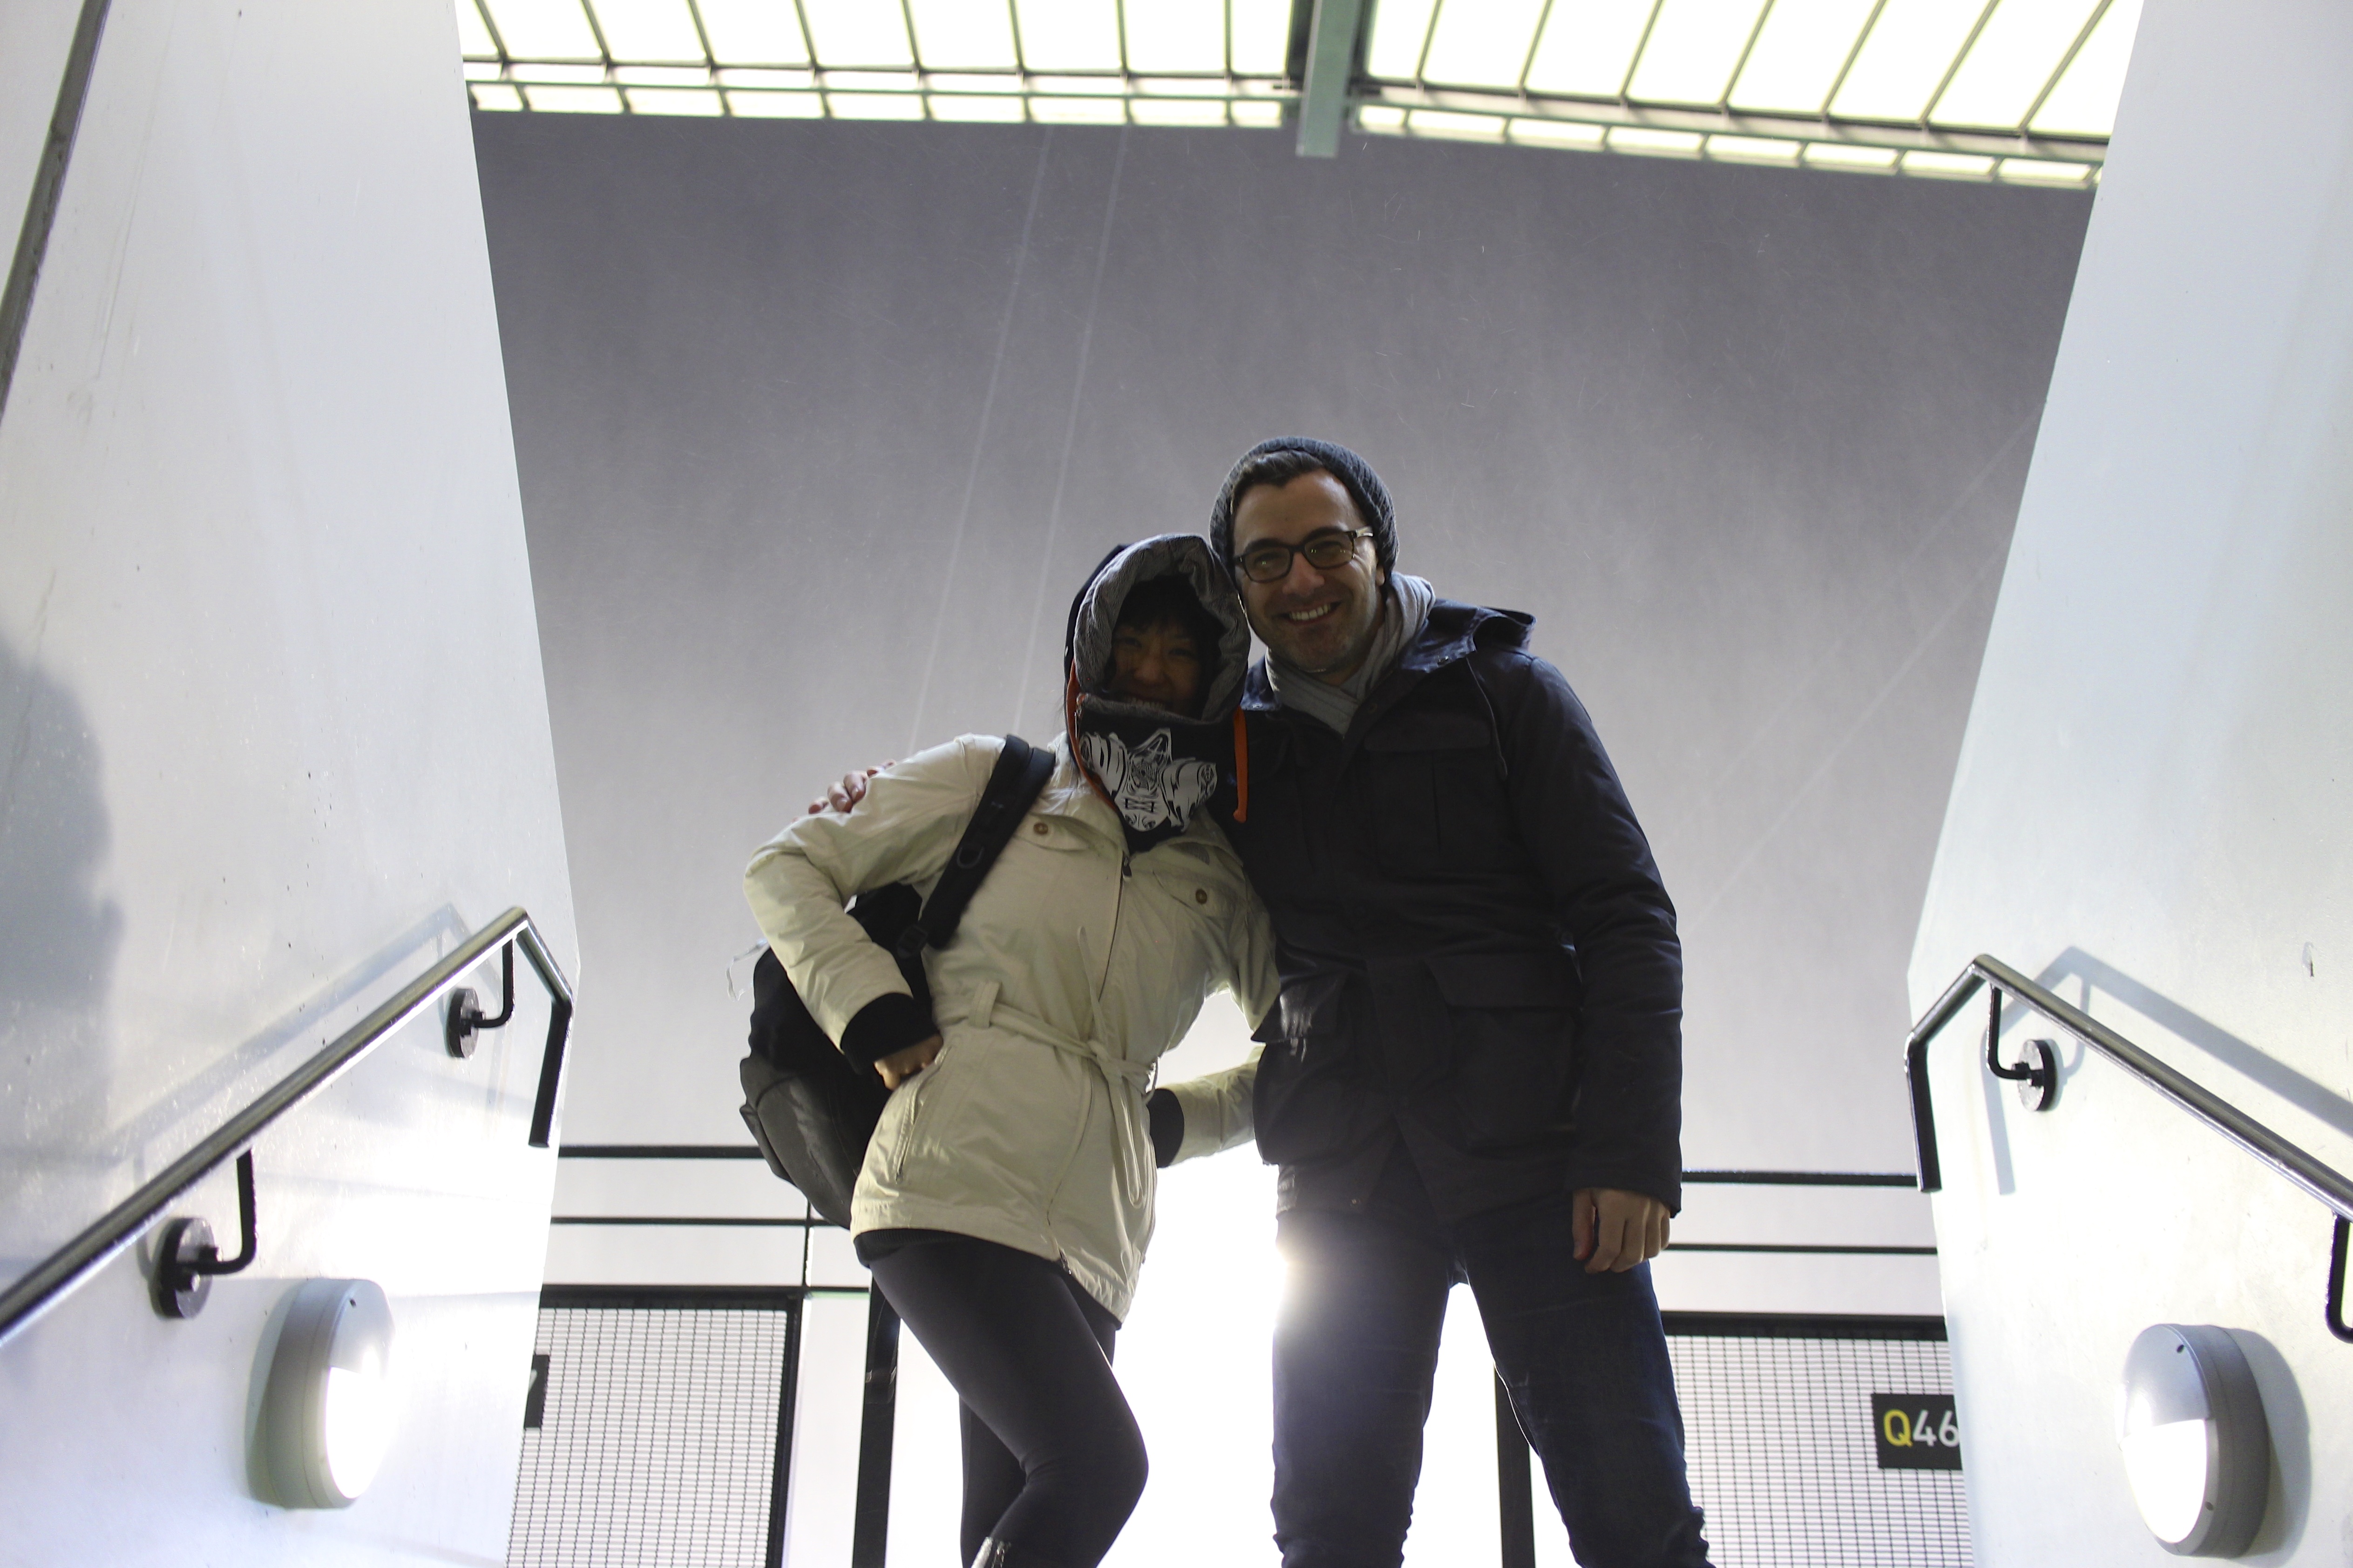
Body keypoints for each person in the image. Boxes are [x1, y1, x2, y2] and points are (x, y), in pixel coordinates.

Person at [1207, 436, 1708, 1568]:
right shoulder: (1229, 747)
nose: (1300, 580)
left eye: (1327, 546)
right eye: (1267, 559)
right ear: (1236, 585)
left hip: (1544, 1163)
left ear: (1379, 550)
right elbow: (1102, 793)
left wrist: (1630, 1152)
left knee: (1636, 1524)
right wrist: (890, 811)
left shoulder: (1505, 692)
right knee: (1328, 1535)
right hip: (1342, 1168)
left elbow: (1627, 917)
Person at [745, 535, 1274, 1568]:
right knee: (1098, 1468)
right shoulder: (997, 781)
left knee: (1012, 1513)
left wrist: (1181, 1120)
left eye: (1180, 653)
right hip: (947, 1182)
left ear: (1215, 679)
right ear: (1092, 655)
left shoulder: (1222, 872)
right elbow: (787, 867)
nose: (1153, 671)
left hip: (1096, 1238)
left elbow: (1301, 1053)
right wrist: (871, 1010)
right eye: (1134, 644)